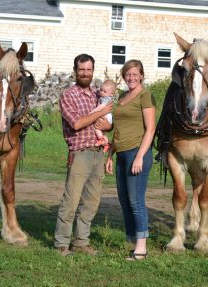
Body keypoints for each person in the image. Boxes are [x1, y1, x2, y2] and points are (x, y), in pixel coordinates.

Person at [54, 53, 113, 256]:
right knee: (71, 200)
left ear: (93, 71)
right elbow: (77, 123)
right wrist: (99, 113)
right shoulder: (68, 95)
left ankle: (81, 241)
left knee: (91, 201)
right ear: (75, 71)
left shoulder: (99, 95)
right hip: (80, 153)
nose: (85, 73)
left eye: (88, 70)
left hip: (98, 153)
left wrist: (107, 123)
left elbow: (108, 121)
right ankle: (61, 243)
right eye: (82, 70)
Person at [106, 59, 156, 260]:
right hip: (121, 154)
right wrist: (110, 154)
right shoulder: (123, 97)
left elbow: (150, 129)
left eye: (135, 74)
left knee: (136, 201)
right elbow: (118, 129)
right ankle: (135, 240)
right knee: (125, 200)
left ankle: (141, 248)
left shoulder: (146, 96)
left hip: (137, 153)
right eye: (128, 74)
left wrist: (140, 157)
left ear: (142, 75)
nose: (131, 77)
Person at [91, 79, 116, 152]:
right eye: (101, 90)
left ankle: (102, 140)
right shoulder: (105, 96)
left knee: (96, 127)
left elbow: (102, 106)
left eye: (104, 91)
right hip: (107, 116)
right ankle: (106, 143)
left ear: (111, 93)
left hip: (106, 116)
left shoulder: (106, 98)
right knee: (100, 129)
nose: (102, 92)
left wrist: (93, 111)